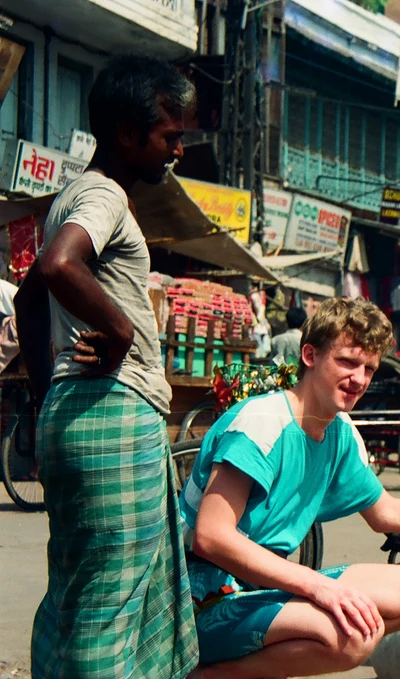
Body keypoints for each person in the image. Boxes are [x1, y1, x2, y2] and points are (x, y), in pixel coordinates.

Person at [179, 298, 400, 678]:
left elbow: (385, 512)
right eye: (348, 362)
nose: (359, 379)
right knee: (353, 638)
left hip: (264, 586)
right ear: (310, 355)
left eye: (369, 368)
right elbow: (211, 537)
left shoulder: (339, 430)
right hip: (201, 598)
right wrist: (319, 587)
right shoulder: (261, 423)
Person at [14, 55, 199, 678]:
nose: (177, 151)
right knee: (107, 608)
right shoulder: (103, 194)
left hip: (76, 413)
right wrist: (120, 332)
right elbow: (55, 269)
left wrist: (45, 401)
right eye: (170, 136)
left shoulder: (67, 195)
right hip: (113, 413)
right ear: (128, 133)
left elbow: (26, 300)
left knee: (75, 596)